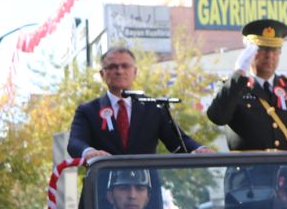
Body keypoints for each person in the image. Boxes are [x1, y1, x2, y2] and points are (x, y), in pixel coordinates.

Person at [68, 47, 211, 160]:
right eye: (112, 66)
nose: (119, 71)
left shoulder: (154, 108)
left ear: (135, 71)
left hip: (145, 189)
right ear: (102, 74)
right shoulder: (87, 110)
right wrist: (89, 152)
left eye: (125, 66)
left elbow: (179, 142)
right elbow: (75, 143)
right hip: (103, 189)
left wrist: (199, 149)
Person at [206, 19, 287, 152]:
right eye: (262, 49)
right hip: (247, 170)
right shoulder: (233, 87)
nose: (269, 56)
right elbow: (217, 116)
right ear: (249, 52)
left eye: (275, 50)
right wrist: (238, 75)